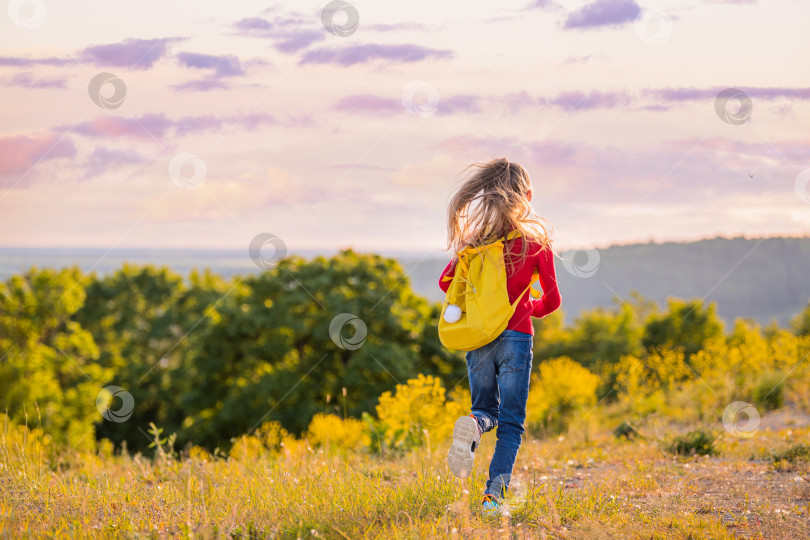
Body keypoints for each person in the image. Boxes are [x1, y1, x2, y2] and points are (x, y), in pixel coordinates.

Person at [438, 157, 561, 515]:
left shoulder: (474, 243)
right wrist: (525, 307)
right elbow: (552, 301)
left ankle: (475, 425)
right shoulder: (535, 242)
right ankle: (492, 498)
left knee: (484, 409)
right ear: (527, 195)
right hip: (516, 337)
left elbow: (446, 282)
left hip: (478, 339)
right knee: (511, 424)